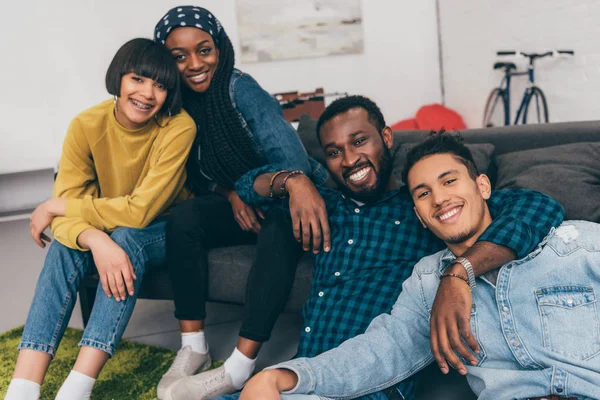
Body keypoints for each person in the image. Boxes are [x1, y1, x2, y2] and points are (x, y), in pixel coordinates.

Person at [165, 95, 565, 400]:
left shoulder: (421, 208)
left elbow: (537, 206)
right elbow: (246, 185)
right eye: (335, 152)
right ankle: (240, 370)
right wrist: (296, 183)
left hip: (373, 384)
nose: (350, 158)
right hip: (305, 374)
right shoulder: (326, 206)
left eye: (360, 142)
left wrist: (460, 272)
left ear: (386, 138)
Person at [238, 132, 600, 400]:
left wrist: (461, 273)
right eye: (424, 193)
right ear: (419, 216)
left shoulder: (575, 246)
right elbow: (381, 352)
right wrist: (287, 375)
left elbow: (535, 205)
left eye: (449, 181)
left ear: (484, 187)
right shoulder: (427, 280)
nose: (440, 198)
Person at [153, 6, 330, 399]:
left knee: (278, 226)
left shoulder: (239, 90)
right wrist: (231, 194)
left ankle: (240, 366)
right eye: (179, 56)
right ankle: (193, 346)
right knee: (185, 218)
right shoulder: (177, 105)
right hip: (245, 200)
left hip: (289, 197)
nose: (195, 64)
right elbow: (198, 178)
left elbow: (294, 167)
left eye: (204, 50)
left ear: (221, 48)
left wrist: (248, 192)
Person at [4, 38, 196, 400]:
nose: (147, 93)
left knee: (126, 237)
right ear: (119, 78)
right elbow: (66, 214)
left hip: (167, 227)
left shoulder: (178, 127)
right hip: (110, 226)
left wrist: (57, 206)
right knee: (67, 245)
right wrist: (94, 238)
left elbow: (140, 211)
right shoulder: (86, 124)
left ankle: (77, 388)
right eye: (138, 79)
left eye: (160, 85)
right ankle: (23, 387)